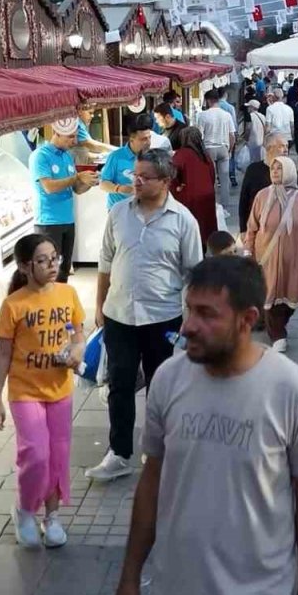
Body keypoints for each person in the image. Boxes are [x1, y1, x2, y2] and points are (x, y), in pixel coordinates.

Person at [111, 256, 298, 595]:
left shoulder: (293, 391)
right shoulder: (167, 379)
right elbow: (153, 479)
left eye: (207, 314)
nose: (188, 326)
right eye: (189, 310)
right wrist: (129, 575)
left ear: (247, 320)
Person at [88, 148, 204, 482]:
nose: (136, 182)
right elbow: (105, 262)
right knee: (119, 385)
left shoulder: (183, 221)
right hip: (119, 314)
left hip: (164, 318)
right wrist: (99, 305)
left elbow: (193, 274)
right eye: (134, 176)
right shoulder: (119, 213)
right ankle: (118, 453)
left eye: (144, 177)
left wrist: (191, 320)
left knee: (161, 388)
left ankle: (158, 451)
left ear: (166, 181)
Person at [0, 234, 86, 548]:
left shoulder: (67, 294)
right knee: (35, 454)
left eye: (54, 258)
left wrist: (77, 353)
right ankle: (25, 510)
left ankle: (53, 517)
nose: (50, 265)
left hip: (60, 388)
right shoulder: (13, 305)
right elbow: (3, 354)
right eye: (42, 260)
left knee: (58, 455)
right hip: (25, 392)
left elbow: (78, 335)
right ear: (24, 266)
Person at [244, 156, 298, 353]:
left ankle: (276, 326)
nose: (275, 172)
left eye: (280, 169)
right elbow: (252, 227)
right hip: (266, 257)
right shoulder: (262, 196)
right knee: (269, 296)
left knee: (290, 299)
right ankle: (278, 335)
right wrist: (248, 250)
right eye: (273, 169)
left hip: (292, 259)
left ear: (290, 172)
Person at [32, 117, 100, 282]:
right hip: (48, 223)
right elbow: (48, 187)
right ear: (56, 133)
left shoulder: (68, 156)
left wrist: (89, 181)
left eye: (75, 136)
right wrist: (77, 177)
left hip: (68, 221)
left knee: (63, 271)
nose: (74, 141)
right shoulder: (40, 156)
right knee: (48, 273)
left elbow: (76, 189)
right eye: (70, 137)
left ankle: (61, 305)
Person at [171, 126, 219, 245]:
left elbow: (172, 176)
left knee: (193, 231)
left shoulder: (181, 155)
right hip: (207, 196)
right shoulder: (205, 156)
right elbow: (212, 176)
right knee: (205, 228)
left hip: (190, 198)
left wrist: (177, 188)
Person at [239, 133, 287, 243]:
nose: (286, 150)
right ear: (269, 148)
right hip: (258, 229)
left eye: (287, 146)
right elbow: (244, 201)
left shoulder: (290, 170)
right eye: (281, 146)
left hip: (283, 230)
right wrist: (243, 229)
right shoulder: (253, 170)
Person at [99, 114, 154, 211]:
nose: (148, 142)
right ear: (131, 140)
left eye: (149, 137)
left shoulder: (152, 157)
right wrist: (119, 188)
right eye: (143, 139)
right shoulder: (116, 157)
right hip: (119, 211)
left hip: (144, 211)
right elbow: (103, 183)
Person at [194, 90, 236, 210]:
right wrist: (230, 149)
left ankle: (212, 205)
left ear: (208, 100)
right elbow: (232, 135)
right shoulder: (226, 115)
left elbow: (199, 135)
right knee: (224, 179)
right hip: (224, 147)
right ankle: (225, 207)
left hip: (209, 148)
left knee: (210, 179)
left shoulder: (202, 115)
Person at [241, 99, 267, 168]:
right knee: (259, 161)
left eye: (249, 107)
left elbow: (248, 128)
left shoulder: (250, 116)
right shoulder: (263, 116)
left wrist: (246, 138)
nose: (247, 108)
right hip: (261, 143)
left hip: (252, 142)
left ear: (253, 107)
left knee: (251, 162)